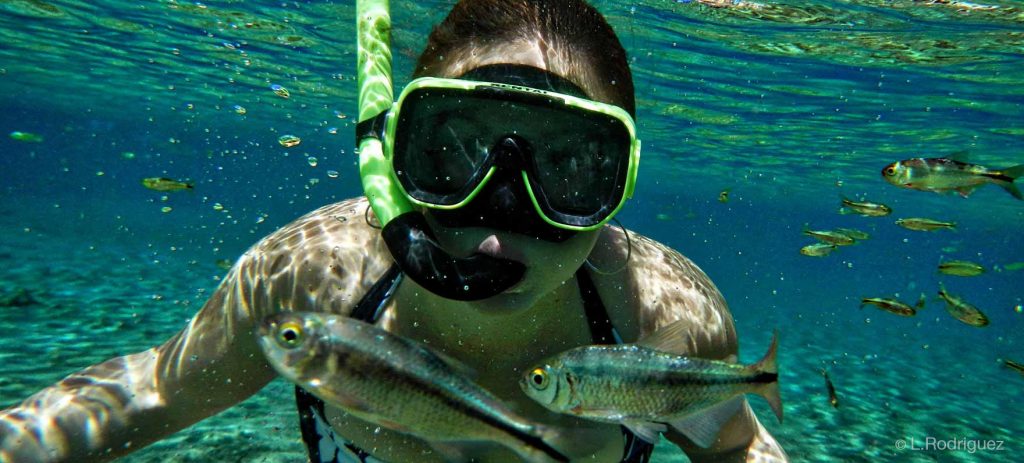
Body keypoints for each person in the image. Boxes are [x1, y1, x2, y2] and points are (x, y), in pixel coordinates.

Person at [0, 1, 788, 462]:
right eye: (450, 154)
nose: (497, 218)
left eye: (571, 168)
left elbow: (737, 448)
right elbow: (152, 392)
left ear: (622, 183)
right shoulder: (313, 282)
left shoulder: (665, 318)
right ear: (392, 156)